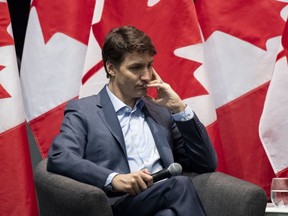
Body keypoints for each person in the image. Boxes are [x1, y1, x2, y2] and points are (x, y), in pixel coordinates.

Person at [47, 25, 217, 216]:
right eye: (136, 67)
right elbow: (60, 157)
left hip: (163, 202)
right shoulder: (84, 111)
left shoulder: (160, 111)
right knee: (179, 185)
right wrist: (114, 178)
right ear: (111, 68)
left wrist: (179, 109)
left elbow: (206, 163)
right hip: (120, 204)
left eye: (149, 65)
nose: (146, 76)